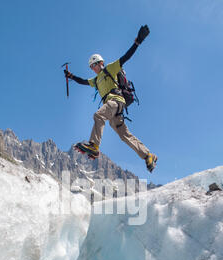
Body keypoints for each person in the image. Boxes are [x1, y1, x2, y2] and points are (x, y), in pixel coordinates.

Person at [64, 25, 158, 173]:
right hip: (114, 110)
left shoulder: (110, 68)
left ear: (100, 63)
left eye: (93, 65)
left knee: (98, 115)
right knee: (124, 135)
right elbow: (83, 81)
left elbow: (126, 57)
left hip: (116, 101)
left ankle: (94, 146)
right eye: (91, 67)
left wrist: (137, 42)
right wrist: (71, 77)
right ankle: (148, 155)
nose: (92, 68)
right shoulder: (96, 80)